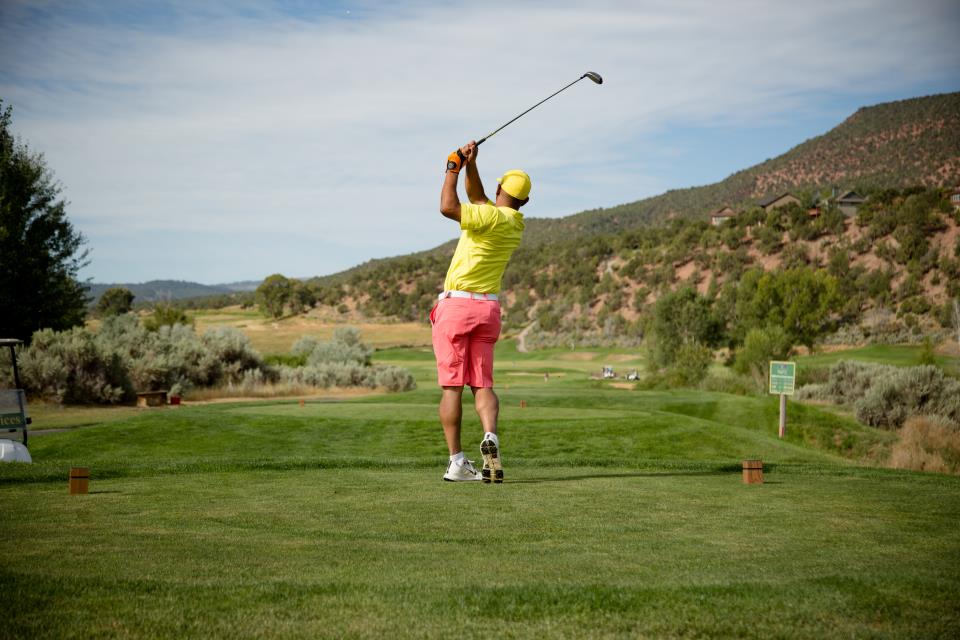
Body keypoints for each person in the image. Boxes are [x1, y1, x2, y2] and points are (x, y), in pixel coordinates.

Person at [432, 140, 529, 483]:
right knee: (482, 384)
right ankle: (490, 435)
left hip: (456, 306)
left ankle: (457, 462)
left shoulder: (487, 215)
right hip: (488, 310)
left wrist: (452, 169)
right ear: (525, 202)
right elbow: (478, 199)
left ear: (501, 188)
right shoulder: (514, 224)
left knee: (452, 388)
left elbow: (449, 206)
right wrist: (472, 164)